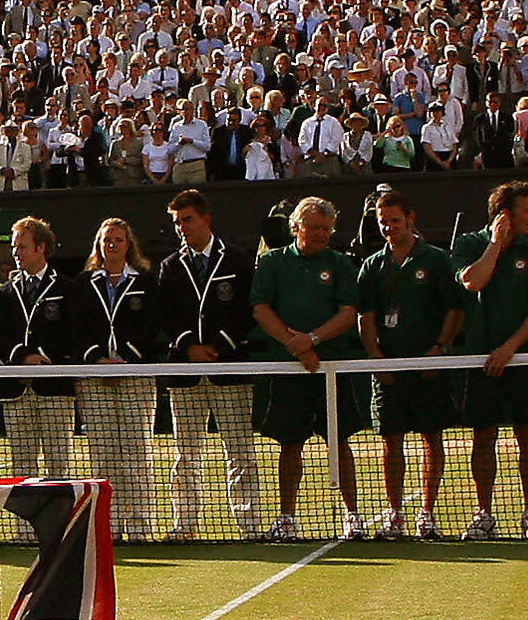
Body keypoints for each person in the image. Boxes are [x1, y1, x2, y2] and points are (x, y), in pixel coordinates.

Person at [448, 180, 528, 541]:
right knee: (483, 438)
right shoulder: (469, 244)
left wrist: (510, 348)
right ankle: (484, 514)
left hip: (522, 361)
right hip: (480, 362)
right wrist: (495, 244)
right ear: (505, 214)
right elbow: (472, 283)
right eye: (526, 210)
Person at [355, 187, 466, 538]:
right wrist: (377, 360)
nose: (389, 228)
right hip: (389, 372)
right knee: (391, 442)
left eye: (395, 221)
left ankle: (427, 513)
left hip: (428, 367)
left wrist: (440, 348)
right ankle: (395, 514)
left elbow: (455, 310)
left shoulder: (435, 260)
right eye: (383, 222)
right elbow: (365, 318)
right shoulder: (372, 266)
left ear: (410, 219)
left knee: (432, 438)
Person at [247, 196, 359, 541]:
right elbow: (261, 309)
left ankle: (353, 516)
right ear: (297, 227)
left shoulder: (340, 264)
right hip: (289, 371)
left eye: (327, 228)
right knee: (290, 443)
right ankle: (286, 518)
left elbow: (347, 313)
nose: (321, 234)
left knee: (339, 442)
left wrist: (312, 340)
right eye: (314, 228)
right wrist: (294, 347)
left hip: (331, 368)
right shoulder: (273, 263)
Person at [156, 188, 257, 537]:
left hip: (230, 371)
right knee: (186, 457)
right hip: (185, 375)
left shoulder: (238, 260)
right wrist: (188, 347)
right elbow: (166, 316)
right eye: (176, 222)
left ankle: (249, 525)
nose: (182, 227)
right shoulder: (170, 267)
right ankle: (184, 525)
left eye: (187, 220)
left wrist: (219, 345)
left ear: (205, 219)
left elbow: (249, 309)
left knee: (240, 453)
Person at [69, 216, 158, 535]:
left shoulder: (145, 281)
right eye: (107, 239)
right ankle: (109, 524)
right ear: (99, 244)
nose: (112, 245)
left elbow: (151, 327)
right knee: (104, 454)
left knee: (135, 452)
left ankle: (139, 524)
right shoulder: (83, 283)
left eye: (119, 240)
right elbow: (77, 328)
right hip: (95, 379)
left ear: (128, 244)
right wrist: (98, 360)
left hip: (135, 378)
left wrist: (125, 360)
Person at [0, 216, 77, 479]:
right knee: (22, 466)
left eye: (22, 247)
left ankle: (59, 521)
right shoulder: (5, 291)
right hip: (16, 387)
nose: (16, 253)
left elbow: (70, 331)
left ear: (41, 247)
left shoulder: (66, 287)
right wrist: (21, 356)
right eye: (14, 247)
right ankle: (23, 523)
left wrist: (42, 357)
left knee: (58, 464)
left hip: (54, 388)